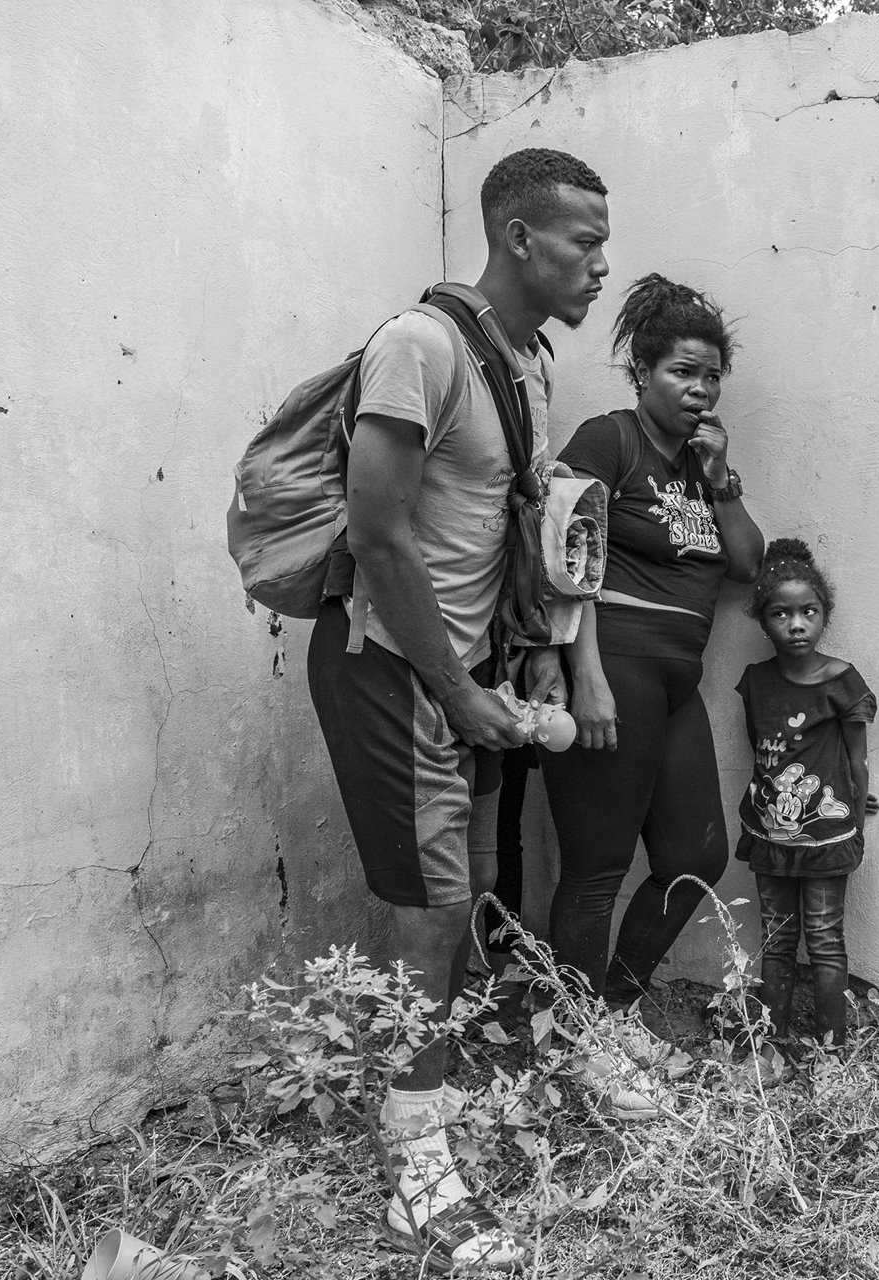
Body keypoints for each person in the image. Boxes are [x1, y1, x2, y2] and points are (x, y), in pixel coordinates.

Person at [304, 147, 608, 1271]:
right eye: (582, 238)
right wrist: (456, 687)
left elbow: (500, 529)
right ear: (519, 237)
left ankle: (427, 1090)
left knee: (460, 886)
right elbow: (379, 533)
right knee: (434, 904)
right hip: (394, 666)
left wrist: (521, 663)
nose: (599, 261)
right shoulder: (420, 345)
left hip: (464, 674)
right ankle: (414, 1169)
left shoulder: (525, 365)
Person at [539, 275, 765, 1064]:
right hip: (615, 668)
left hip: (675, 682)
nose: (700, 389)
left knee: (697, 856)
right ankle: (574, 1038)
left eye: (710, 376)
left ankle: (608, 1008)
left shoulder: (702, 469)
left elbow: (746, 565)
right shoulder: (609, 440)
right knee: (597, 867)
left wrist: (722, 477)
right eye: (682, 372)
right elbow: (566, 558)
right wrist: (586, 676)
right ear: (642, 371)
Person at [734, 539, 878, 1048]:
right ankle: (769, 1046)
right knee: (776, 941)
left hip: (825, 839)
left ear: (824, 616)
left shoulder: (842, 682)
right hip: (770, 831)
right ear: (762, 620)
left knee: (823, 940)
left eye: (808, 612)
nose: (796, 624)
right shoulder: (755, 681)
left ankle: (829, 1052)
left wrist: (856, 816)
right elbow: (760, 749)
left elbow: (858, 760)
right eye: (781, 613)